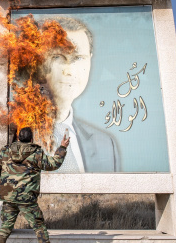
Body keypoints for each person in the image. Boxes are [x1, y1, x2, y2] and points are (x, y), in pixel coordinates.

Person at [37, 16, 120, 173]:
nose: (69, 71)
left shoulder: (105, 145)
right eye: (57, 57)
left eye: (78, 58)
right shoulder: (20, 135)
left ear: (90, 60)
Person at [0, 127, 70, 243]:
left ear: (18, 138)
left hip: (9, 196)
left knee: (5, 227)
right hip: (26, 198)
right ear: (32, 139)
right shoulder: (36, 153)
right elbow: (53, 164)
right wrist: (62, 147)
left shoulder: (5, 151)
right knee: (39, 227)